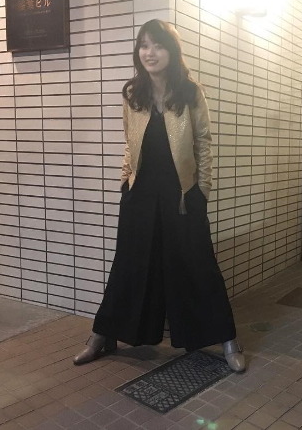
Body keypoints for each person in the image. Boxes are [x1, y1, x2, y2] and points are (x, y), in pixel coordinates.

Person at [73, 19, 245, 372]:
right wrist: (125, 180)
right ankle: (103, 335)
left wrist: (202, 190)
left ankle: (227, 339)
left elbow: (204, 143)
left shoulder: (190, 92)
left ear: (172, 50)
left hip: (183, 193)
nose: (150, 53)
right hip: (140, 192)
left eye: (159, 45)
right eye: (144, 45)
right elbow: (129, 142)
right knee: (129, 264)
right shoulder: (132, 93)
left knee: (198, 265)